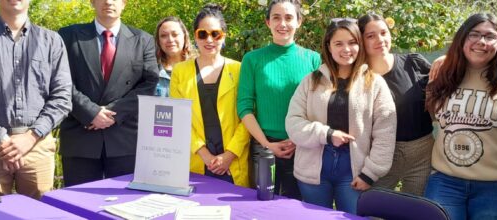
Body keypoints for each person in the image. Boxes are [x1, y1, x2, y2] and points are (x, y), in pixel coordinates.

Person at [0, 0, 72, 199]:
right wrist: (1, 138)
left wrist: (31, 137)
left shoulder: (51, 41)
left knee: (39, 212)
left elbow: (62, 96)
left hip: (37, 144)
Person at [423, 13, 497, 219]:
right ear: (462, 38)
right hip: (445, 182)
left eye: (490, 36)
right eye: (474, 34)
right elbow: (434, 118)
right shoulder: (442, 73)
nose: (481, 42)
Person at [285, 18, 396, 214]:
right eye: (339, 43)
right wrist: (327, 135)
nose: (346, 49)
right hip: (314, 168)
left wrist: (369, 173)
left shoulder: (375, 83)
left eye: (352, 42)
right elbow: (293, 123)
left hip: (354, 169)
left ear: (360, 45)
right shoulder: (311, 81)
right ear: (328, 46)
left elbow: (385, 133)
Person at [58, 0, 159, 186]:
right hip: (80, 137)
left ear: (124, 4)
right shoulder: (67, 36)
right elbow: (59, 80)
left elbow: (149, 84)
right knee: (79, 205)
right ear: (92, 3)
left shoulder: (143, 40)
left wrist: (113, 113)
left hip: (125, 139)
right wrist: (90, 112)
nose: (108, 2)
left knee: (125, 204)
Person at [237, 0, 321, 198]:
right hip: (263, 149)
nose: (282, 23)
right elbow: (244, 107)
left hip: (302, 147)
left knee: (298, 208)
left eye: (289, 17)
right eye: (276, 17)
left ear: (299, 22)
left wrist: (296, 139)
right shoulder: (252, 59)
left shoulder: (313, 59)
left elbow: (318, 106)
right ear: (267, 22)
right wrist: (267, 144)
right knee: (262, 207)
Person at [170, 4, 250, 187]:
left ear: (224, 36)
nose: (209, 39)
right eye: (202, 34)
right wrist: (204, 155)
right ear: (195, 36)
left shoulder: (239, 69)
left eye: (215, 34)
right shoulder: (180, 72)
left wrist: (230, 155)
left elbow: (248, 117)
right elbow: (179, 119)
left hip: (233, 161)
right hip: (197, 160)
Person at [358, 12, 434, 196]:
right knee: (373, 210)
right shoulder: (357, 78)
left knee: (414, 212)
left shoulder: (413, 64)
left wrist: (444, 59)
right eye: (370, 36)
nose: (380, 39)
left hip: (421, 156)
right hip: (380, 158)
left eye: (384, 33)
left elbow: (448, 81)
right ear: (360, 41)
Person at [154, 16, 192, 97]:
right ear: (158, 41)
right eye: (164, 35)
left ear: (184, 37)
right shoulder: (151, 72)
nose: (170, 40)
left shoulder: (199, 70)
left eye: (175, 34)